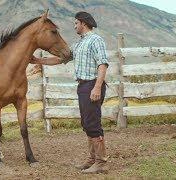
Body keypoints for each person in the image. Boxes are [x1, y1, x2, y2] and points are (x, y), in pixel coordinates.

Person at [30, 11, 109, 174]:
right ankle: (92, 159)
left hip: (92, 84)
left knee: (93, 123)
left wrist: (97, 87)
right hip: (83, 86)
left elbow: (102, 64)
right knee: (87, 124)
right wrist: (39, 61)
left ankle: (101, 162)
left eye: (75, 23)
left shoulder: (96, 40)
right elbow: (61, 59)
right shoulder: (79, 43)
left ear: (83, 23)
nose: (74, 26)